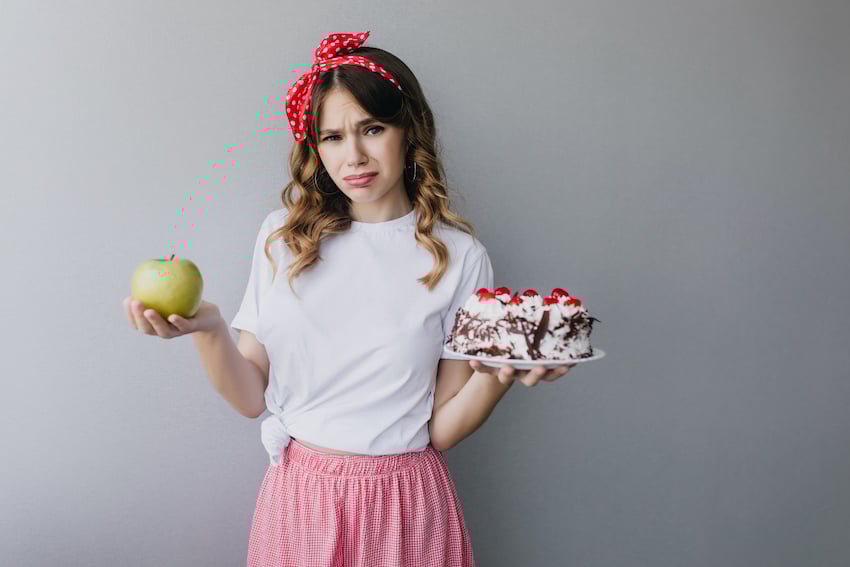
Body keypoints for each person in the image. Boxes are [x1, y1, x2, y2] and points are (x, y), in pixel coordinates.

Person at [123, 30, 573, 567]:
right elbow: (249, 399)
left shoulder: (460, 257)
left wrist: (501, 373)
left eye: (372, 129)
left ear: (409, 133)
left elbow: (442, 428)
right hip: (300, 498)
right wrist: (210, 329)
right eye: (332, 137)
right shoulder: (283, 240)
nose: (353, 156)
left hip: (407, 504)